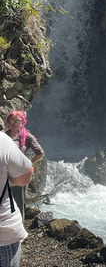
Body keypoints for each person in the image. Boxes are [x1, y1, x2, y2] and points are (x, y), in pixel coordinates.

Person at [0, 131, 34, 267]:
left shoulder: (26, 135)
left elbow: (39, 150)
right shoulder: (3, 139)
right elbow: (26, 175)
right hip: (3, 237)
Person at [4, 110, 44, 220]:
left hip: (18, 174)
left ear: (23, 122)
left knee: (17, 201)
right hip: (3, 172)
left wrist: (28, 163)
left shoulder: (27, 137)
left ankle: (18, 230)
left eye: (18, 120)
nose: (15, 123)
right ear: (8, 122)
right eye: (12, 120)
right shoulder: (3, 136)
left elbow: (40, 153)